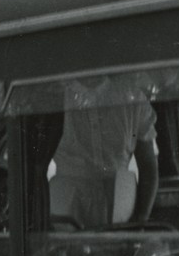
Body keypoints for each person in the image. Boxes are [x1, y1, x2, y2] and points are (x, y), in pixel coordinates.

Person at [48, 97, 158, 229]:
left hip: (120, 204)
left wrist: (141, 219)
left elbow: (148, 167)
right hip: (65, 206)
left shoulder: (132, 98)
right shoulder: (55, 98)